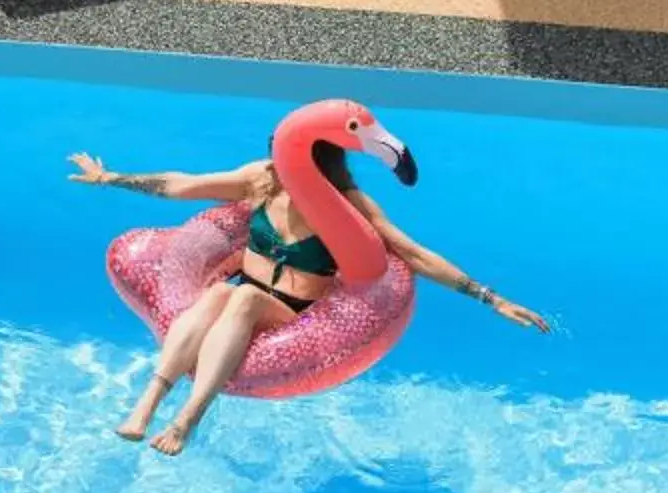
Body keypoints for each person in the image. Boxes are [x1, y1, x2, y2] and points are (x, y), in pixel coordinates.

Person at [69, 141, 545, 456]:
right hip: (239, 297)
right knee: (218, 293)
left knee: (242, 300)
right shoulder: (262, 179)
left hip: (291, 313)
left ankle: (188, 418)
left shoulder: (347, 208)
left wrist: (490, 298)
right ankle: (148, 404)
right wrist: (111, 178)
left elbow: (411, 253)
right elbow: (182, 184)